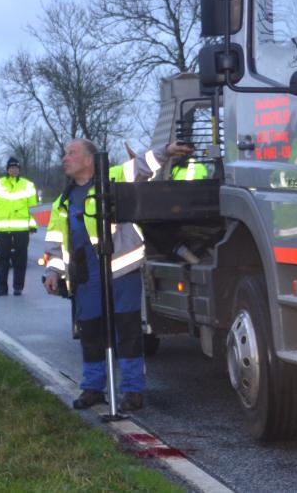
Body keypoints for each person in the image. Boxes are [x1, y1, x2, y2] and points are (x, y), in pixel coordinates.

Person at [42, 138, 191, 412]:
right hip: (87, 277)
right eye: (64, 153)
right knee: (90, 333)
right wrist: (53, 270)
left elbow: (144, 164)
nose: (65, 158)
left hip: (121, 270)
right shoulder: (63, 201)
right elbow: (56, 242)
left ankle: (133, 391)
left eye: (71, 153)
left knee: (128, 331)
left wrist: (167, 151)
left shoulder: (115, 178)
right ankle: (93, 388)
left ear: (89, 159)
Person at [0, 157, 38, 296]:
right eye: (11, 167)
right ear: (7, 169)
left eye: (16, 168)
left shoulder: (27, 185)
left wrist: (32, 225)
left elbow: (32, 208)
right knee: (3, 259)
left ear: (19, 169)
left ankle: (18, 287)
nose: (14, 170)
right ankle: (2, 288)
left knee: (20, 259)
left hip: (21, 229)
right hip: (3, 229)